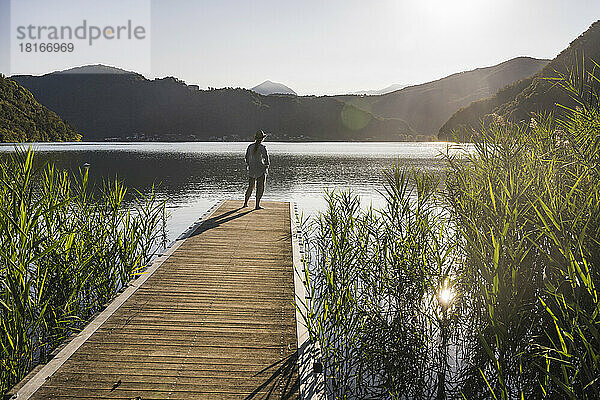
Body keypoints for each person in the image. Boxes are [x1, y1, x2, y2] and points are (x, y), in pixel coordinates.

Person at [243, 129, 270, 209]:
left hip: (252, 169)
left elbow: (246, 158)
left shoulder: (250, 146)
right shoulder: (262, 147)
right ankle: (257, 205)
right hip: (260, 169)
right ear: (262, 138)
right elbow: (266, 159)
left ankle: (245, 203)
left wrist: (249, 165)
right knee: (260, 187)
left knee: (250, 187)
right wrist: (266, 166)